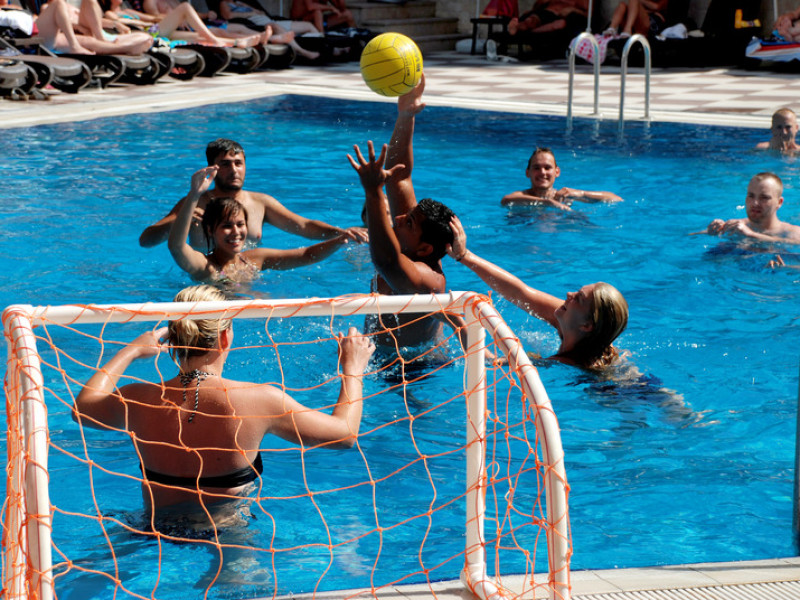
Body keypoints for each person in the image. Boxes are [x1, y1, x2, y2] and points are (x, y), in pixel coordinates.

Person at [73, 284, 375, 516]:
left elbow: (81, 409)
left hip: (153, 528)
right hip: (226, 534)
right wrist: (353, 368)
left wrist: (131, 350)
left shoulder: (139, 399)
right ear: (225, 337)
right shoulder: (260, 400)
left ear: (174, 339)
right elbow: (345, 435)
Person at [348, 75, 458, 350]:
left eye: (408, 223)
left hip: (413, 367)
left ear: (424, 249)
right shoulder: (418, 244)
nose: (398, 218)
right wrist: (406, 115)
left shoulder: (424, 278)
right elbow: (399, 178)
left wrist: (373, 191)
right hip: (382, 356)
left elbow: (386, 261)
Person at [447, 216, 628, 370]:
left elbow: (490, 362)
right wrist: (464, 255)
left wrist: (455, 322)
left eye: (579, 298)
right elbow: (520, 293)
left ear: (587, 325)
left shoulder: (561, 363)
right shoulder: (585, 330)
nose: (568, 294)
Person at [140, 138, 367, 249]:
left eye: (238, 163)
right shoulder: (195, 203)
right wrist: (182, 220)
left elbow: (304, 226)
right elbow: (147, 241)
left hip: (247, 278)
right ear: (212, 168)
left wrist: (342, 233)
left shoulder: (260, 203)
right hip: (206, 282)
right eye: (225, 164)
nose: (234, 170)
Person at [168, 166, 358, 285]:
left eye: (240, 224)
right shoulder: (205, 267)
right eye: (227, 226)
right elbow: (176, 247)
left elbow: (306, 255)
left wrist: (339, 240)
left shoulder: (254, 259)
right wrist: (194, 195)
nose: (236, 232)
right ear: (210, 230)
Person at [15, 0, 153, 55]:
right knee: (58, 5)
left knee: (145, 37)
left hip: (84, 34)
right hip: (44, 36)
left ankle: (120, 47)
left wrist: (115, 24)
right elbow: (56, 21)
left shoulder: (69, 7)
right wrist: (78, 26)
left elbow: (96, 20)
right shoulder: (49, 7)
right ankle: (122, 48)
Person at [501, 147, 623, 209]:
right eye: (536, 168)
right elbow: (506, 200)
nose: (542, 172)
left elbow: (616, 199)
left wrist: (582, 193)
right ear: (528, 173)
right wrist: (547, 202)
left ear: (557, 172)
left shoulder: (564, 196)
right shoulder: (522, 195)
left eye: (547, 168)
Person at [706, 172, 800, 245]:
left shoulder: (792, 233)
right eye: (751, 196)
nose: (755, 203)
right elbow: (697, 235)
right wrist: (712, 231)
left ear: (779, 202)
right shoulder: (736, 226)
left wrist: (751, 234)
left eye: (764, 197)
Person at [507, 0, 588, 36]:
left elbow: (588, 14)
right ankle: (521, 26)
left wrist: (573, 10)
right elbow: (537, 6)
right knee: (532, 17)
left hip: (561, 17)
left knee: (559, 23)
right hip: (545, 12)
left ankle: (519, 27)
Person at [603, 0, 669, 38]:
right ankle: (611, 28)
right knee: (622, 5)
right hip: (636, 19)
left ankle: (627, 30)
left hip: (653, 22)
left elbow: (656, 7)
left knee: (634, 0)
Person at [290, 0, 355, 32]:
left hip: (320, 22)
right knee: (317, 12)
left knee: (347, 14)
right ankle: (322, 40)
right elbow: (310, 7)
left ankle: (357, 39)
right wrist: (330, 8)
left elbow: (342, 8)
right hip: (300, 21)